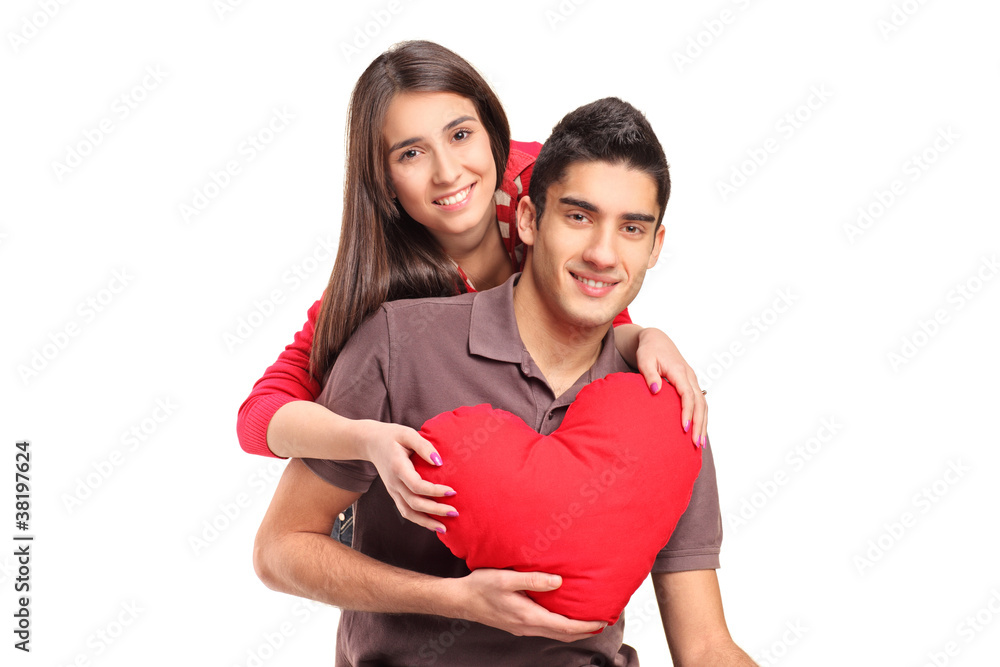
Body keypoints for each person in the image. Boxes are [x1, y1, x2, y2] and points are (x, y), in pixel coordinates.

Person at [253, 97, 754, 666]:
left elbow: (707, 646)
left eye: (631, 228)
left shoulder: (665, 397)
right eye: (579, 216)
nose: (602, 253)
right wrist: (454, 600)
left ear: (655, 247)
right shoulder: (399, 342)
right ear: (529, 220)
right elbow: (279, 549)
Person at [236, 41, 709, 536]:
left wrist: (641, 336)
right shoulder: (377, 286)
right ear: (383, 179)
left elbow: (596, 286)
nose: (448, 172)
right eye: (412, 153)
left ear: (490, 131)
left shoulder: (538, 184)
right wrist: (364, 438)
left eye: (460, 134)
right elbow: (257, 417)